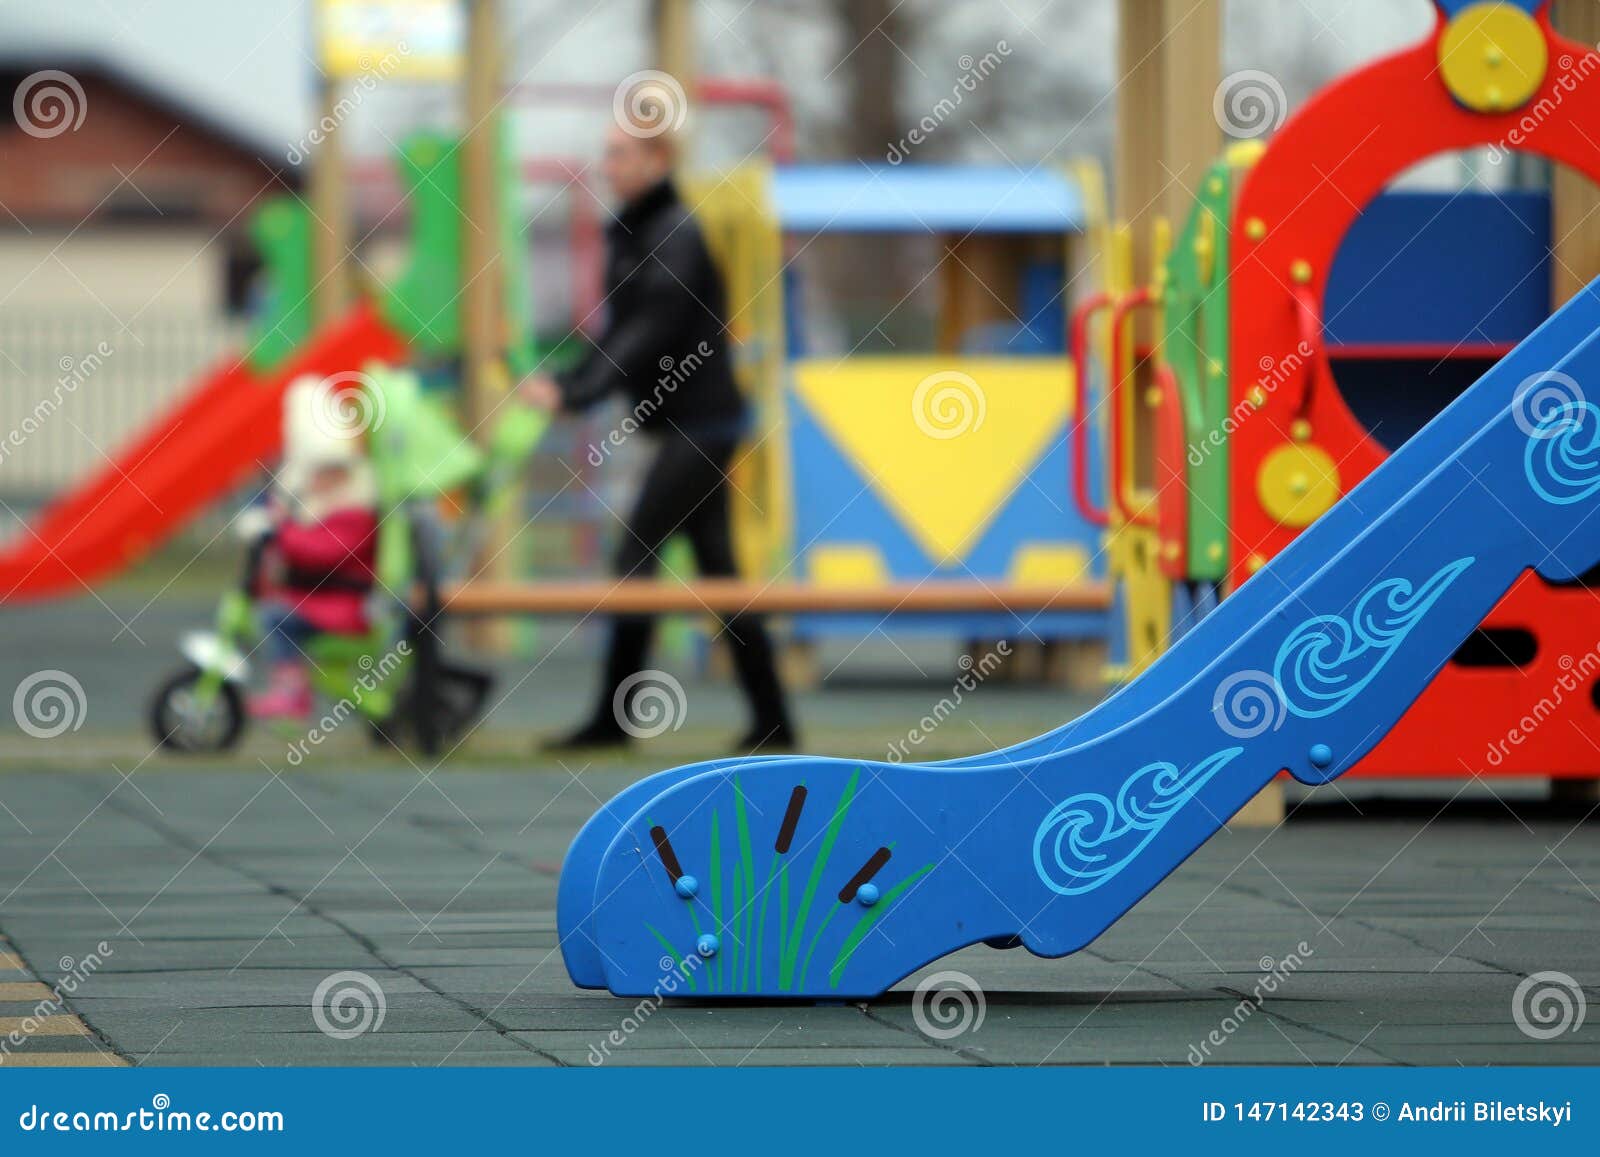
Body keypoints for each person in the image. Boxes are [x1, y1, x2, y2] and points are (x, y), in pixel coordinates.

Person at [520, 117, 795, 754]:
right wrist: (570, 380)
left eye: (620, 155)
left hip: (704, 425)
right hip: (692, 423)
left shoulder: (673, 234)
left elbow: (652, 330)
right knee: (719, 570)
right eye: (608, 153)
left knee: (632, 561)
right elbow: (618, 329)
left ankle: (615, 722)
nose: (608, 165)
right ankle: (775, 721)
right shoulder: (640, 229)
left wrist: (575, 392)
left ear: (657, 160)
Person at [248, 383, 379, 721]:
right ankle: (290, 688)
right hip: (327, 599)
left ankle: (292, 692)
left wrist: (281, 530)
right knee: (274, 612)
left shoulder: (353, 513)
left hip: (342, 606)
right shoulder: (332, 508)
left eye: (324, 472)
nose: (315, 479)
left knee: (276, 618)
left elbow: (320, 552)